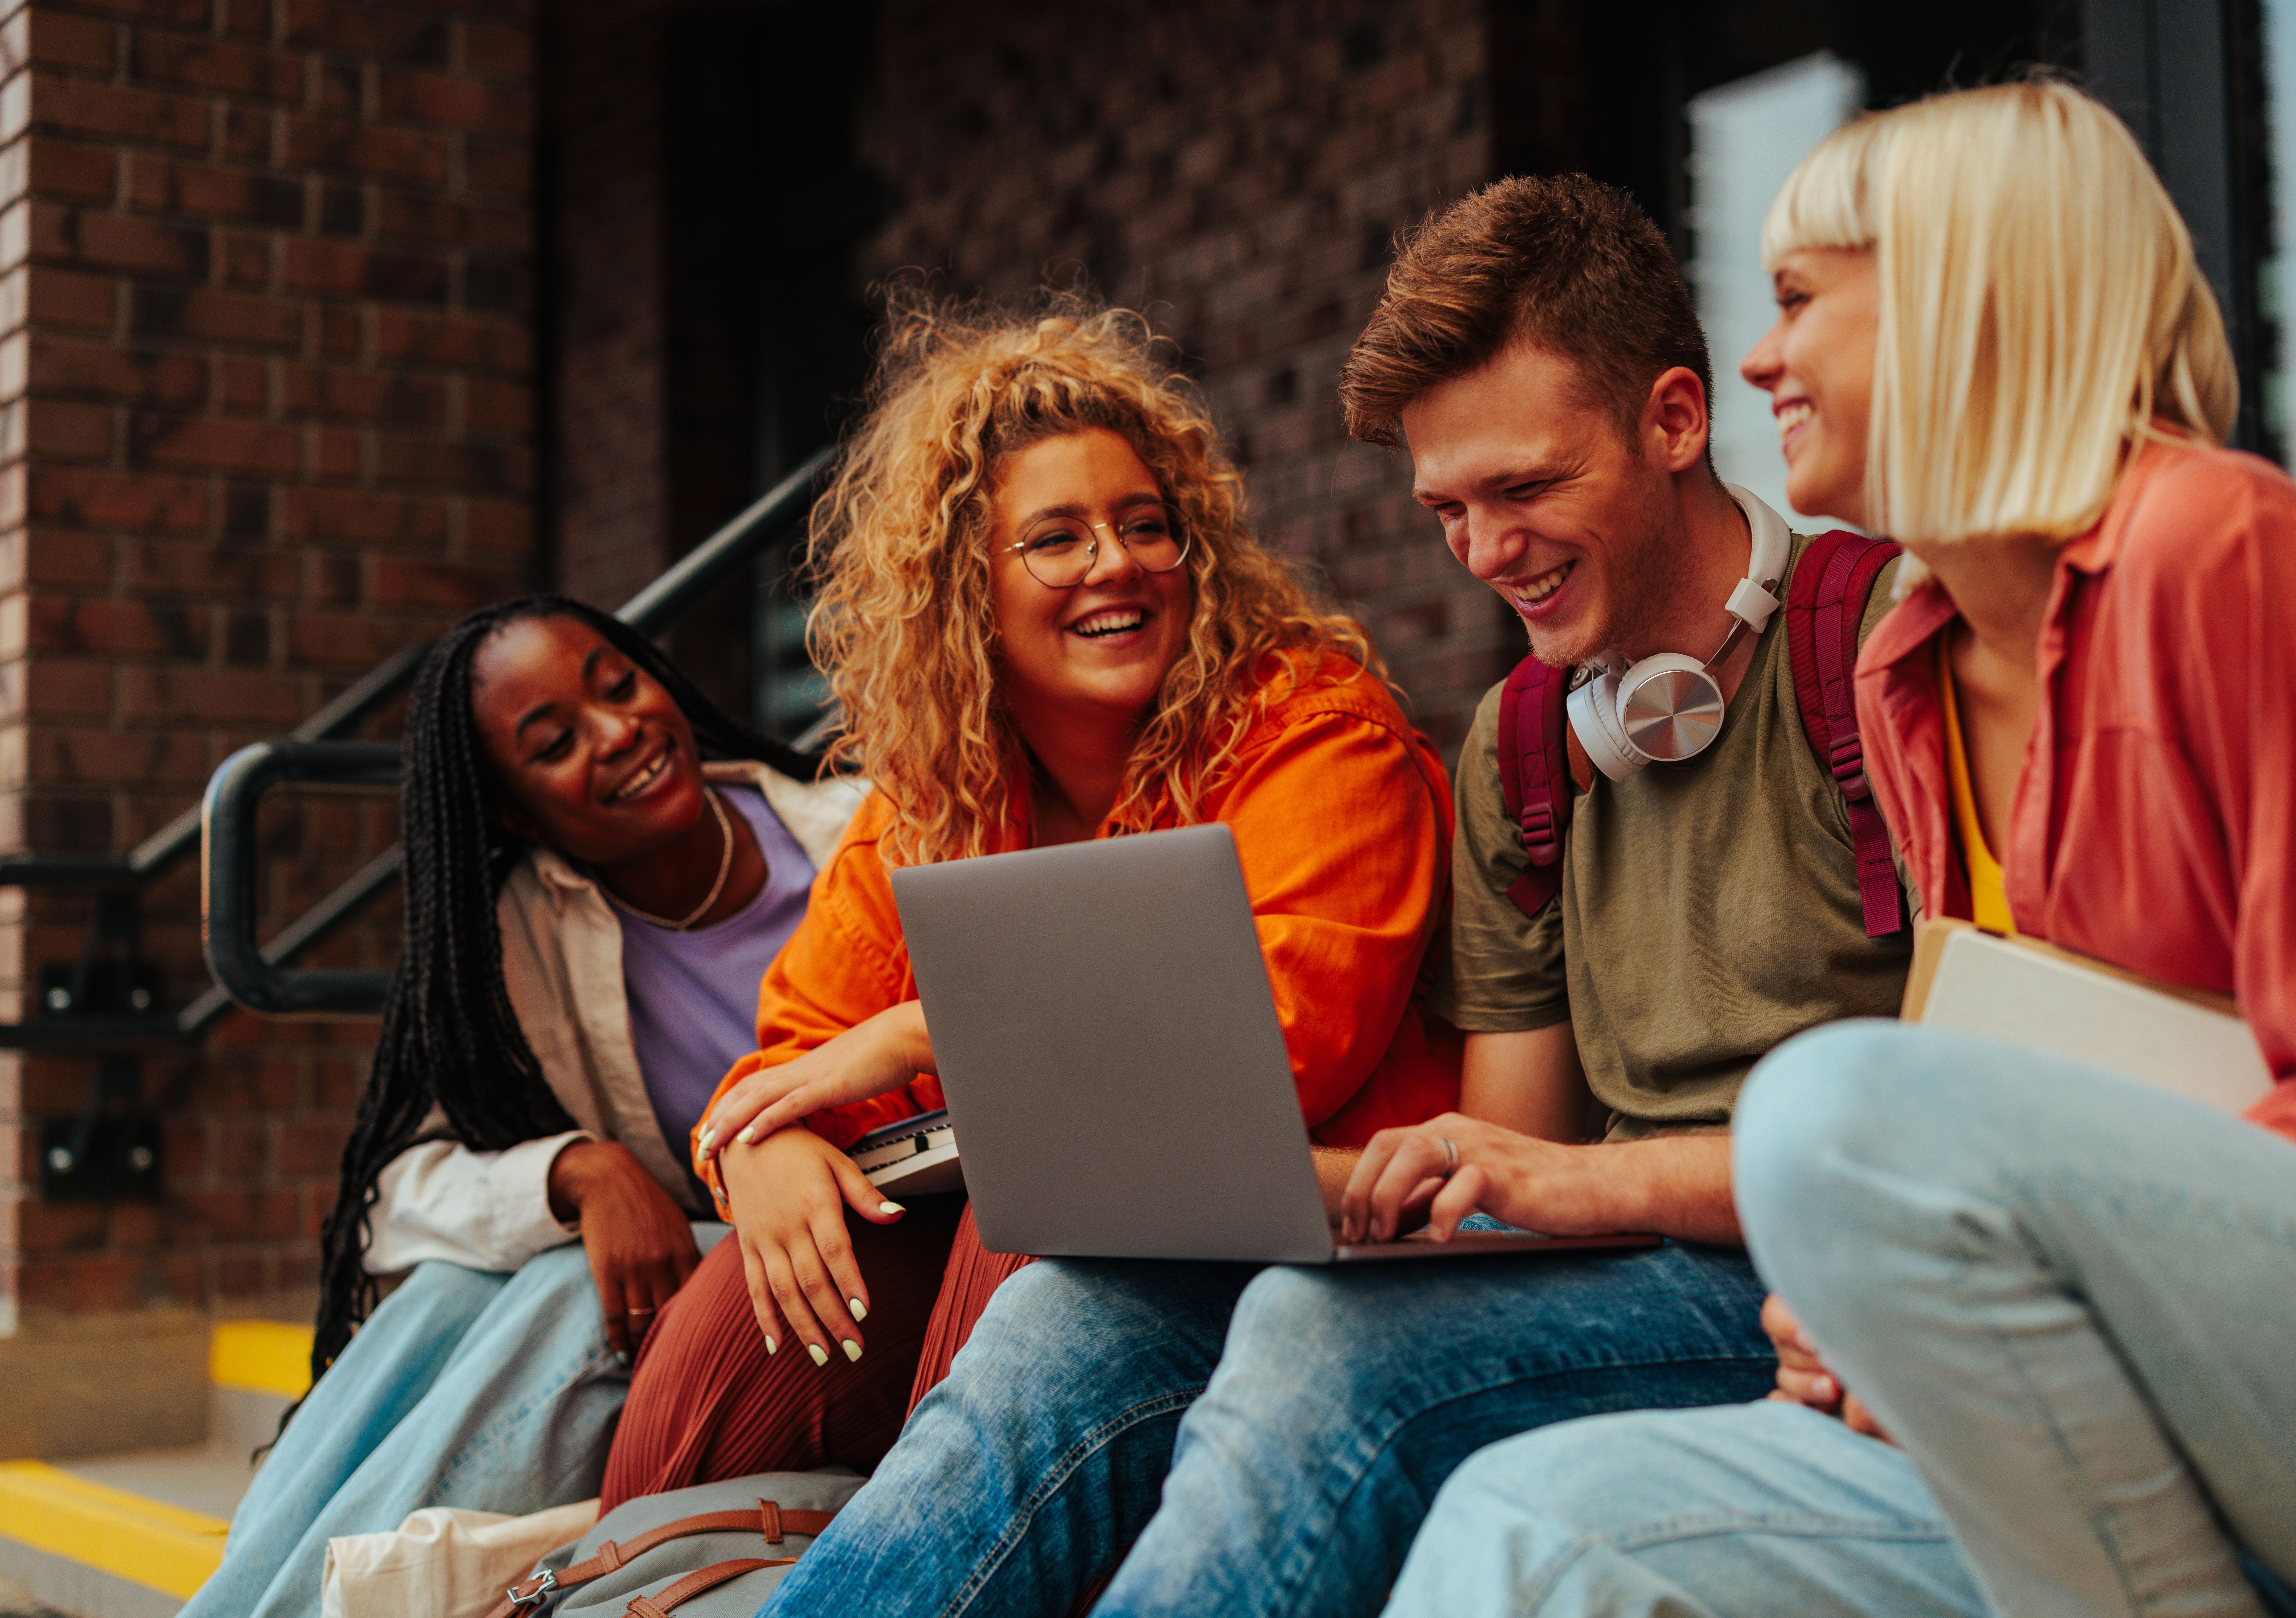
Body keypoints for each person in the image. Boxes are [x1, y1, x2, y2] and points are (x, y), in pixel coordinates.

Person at [755, 174, 1915, 1618]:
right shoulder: (1527, 742)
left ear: (1675, 420)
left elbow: (1959, 1131)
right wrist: (1256, 1196)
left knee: (1328, 1343)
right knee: (1076, 1306)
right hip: (1623, 1260)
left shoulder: (1887, 656)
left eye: (1528, 488)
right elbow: (1507, 1163)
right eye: (1447, 510)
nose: (1489, 555)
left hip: (1822, 1283)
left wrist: (1547, 1191)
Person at [1384, 79, 2296, 1618]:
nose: (1758, 356)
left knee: (1837, 1103)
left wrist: (1945, 1279)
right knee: (1536, 1519)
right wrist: (1867, 1303)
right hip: (2088, 1406)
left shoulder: (2224, 549)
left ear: (1966, 299)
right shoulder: (1909, 663)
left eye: (1799, 299)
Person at [597, 293, 1464, 1504]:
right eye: (1056, 538)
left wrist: (929, 1028)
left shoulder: (1312, 735)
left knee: (1036, 1185)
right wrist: (766, 1146)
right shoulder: (933, 796)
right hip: (1063, 1224)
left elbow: (1267, 1056)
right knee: (734, 1333)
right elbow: (796, 1051)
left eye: (1144, 524)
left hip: (1320, 1245)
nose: (1114, 562)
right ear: (967, 589)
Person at [185, 596, 885, 1618]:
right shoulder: (518, 931)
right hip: (712, 1286)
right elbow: (392, 1198)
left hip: (852, 1263)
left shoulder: (862, 830)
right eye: (555, 742)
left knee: (564, 1290)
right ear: (513, 808)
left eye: (620, 684)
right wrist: (578, 1172)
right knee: (445, 1295)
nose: (619, 733)